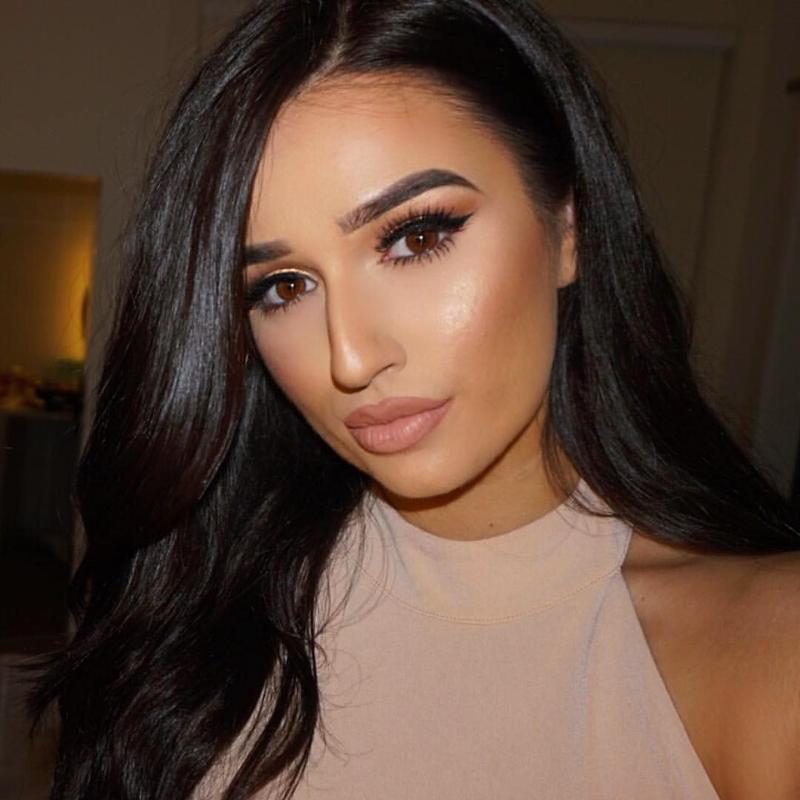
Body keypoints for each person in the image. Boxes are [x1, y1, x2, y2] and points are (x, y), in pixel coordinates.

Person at [28, 1, 800, 798]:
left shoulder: (770, 653)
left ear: (569, 226)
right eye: (283, 286)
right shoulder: (198, 616)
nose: (352, 357)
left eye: (416, 237)